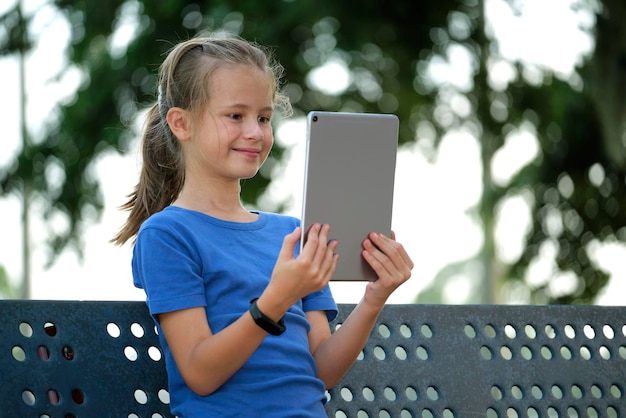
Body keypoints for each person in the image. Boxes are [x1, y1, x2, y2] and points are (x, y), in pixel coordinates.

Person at [113, 35, 414, 417]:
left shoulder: (292, 234)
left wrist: (376, 296)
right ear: (181, 124)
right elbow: (202, 374)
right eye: (235, 116)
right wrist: (276, 300)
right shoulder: (167, 236)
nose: (255, 132)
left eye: (264, 117)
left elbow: (320, 371)